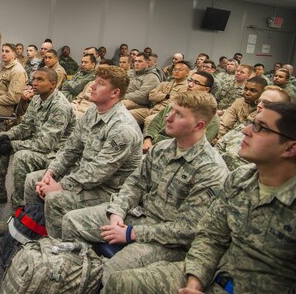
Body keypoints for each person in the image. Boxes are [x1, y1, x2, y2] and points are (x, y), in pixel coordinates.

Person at [102, 102, 296, 293]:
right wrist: (195, 283)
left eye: (260, 128)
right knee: (119, 283)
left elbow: (189, 229)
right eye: (252, 123)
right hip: (210, 273)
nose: (246, 131)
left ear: (289, 148)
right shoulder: (240, 178)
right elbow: (211, 236)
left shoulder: (213, 169)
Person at [62, 91, 228, 285]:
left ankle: (93, 282)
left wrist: (132, 233)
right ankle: (76, 278)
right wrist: (117, 212)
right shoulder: (162, 148)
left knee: (113, 272)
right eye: (170, 110)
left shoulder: (211, 170)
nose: (168, 117)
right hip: (139, 216)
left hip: (167, 240)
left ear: (198, 125)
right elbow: (135, 183)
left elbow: (188, 230)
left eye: (179, 114)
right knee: (71, 221)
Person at [23, 66, 142, 238]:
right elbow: (71, 148)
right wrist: (51, 173)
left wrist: (61, 185)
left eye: (100, 84)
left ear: (114, 93)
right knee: (33, 179)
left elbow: (98, 172)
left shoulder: (122, 128)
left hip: (109, 190)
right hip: (83, 176)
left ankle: (54, 248)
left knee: (55, 199)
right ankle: (32, 231)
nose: (92, 86)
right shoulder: (93, 112)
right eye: (95, 81)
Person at [0, 67, 76, 236]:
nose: (34, 83)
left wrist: (13, 145)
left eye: (40, 79)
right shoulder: (37, 99)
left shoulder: (59, 106)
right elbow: (26, 126)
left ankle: (18, 212)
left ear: (52, 84)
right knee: (1, 137)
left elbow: (45, 144)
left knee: (21, 157)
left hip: (57, 155)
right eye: (33, 79)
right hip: (43, 145)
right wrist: (8, 136)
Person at [143, 71, 220, 153]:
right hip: (153, 146)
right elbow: (155, 123)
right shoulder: (177, 104)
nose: (190, 85)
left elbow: (194, 146)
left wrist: (158, 141)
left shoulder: (211, 118)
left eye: (196, 83)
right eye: (190, 81)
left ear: (206, 89)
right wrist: (148, 139)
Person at [216, 86, 290, 171]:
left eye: (266, 103)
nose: (259, 105)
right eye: (258, 102)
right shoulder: (247, 126)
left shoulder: (277, 140)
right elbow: (218, 147)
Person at [130, 60, 189, 126]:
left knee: (149, 120)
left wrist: (159, 95)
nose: (176, 71)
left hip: (166, 114)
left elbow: (174, 102)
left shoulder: (187, 88)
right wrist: (165, 96)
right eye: (175, 69)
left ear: (187, 73)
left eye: (180, 70)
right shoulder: (164, 84)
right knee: (129, 114)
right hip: (152, 110)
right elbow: (151, 96)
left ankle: (147, 136)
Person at [216, 76, 266, 140]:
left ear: (263, 93)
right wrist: (218, 138)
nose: (247, 93)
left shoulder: (266, 110)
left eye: (253, 91)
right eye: (246, 89)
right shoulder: (239, 102)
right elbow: (224, 124)